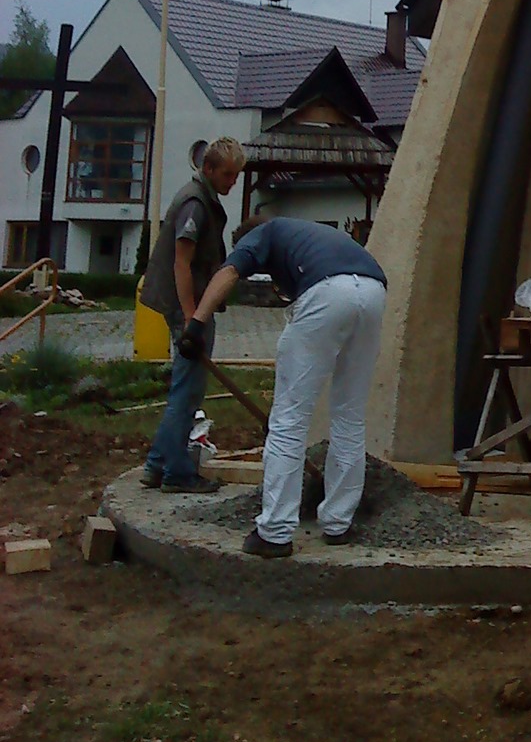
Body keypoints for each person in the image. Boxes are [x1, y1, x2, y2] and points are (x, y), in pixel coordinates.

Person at [180, 215, 388, 558]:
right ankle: (338, 523)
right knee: (350, 415)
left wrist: (196, 325)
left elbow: (228, 273)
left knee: (289, 419)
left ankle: (275, 532)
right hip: (373, 290)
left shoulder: (263, 233)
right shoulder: (309, 234)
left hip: (328, 292)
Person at [139, 136, 246, 492]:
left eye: (237, 175)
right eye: (228, 174)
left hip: (193, 304)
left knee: (186, 389)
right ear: (209, 169)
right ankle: (177, 473)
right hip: (187, 306)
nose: (233, 181)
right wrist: (191, 321)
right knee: (187, 393)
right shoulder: (195, 204)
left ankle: (157, 464)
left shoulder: (203, 199)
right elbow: (181, 263)